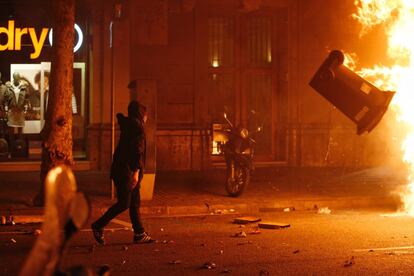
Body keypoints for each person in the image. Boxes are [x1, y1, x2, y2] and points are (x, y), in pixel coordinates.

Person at [91, 99, 153, 245]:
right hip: (127, 171)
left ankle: (139, 233)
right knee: (124, 203)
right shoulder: (137, 128)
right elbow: (137, 151)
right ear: (141, 113)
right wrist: (136, 173)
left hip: (122, 169)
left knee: (134, 203)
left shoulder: (129, 125)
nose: (146, 117)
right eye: (145, 114)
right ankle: (98, 225)